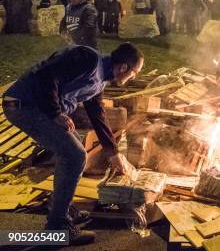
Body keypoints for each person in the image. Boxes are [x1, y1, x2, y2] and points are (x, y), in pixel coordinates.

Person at [1, 43, 143, 245]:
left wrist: (113, 153)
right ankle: (56, 228)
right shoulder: (87, 59)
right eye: (135, 72)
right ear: (123, 67)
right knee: (74, 155)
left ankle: (61, 209)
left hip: (36, 108)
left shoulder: (100, 80)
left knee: (75, 149)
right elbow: (46, 75)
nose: (134, 77)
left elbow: (97, 115)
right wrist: (55, 113)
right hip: (24, 106)